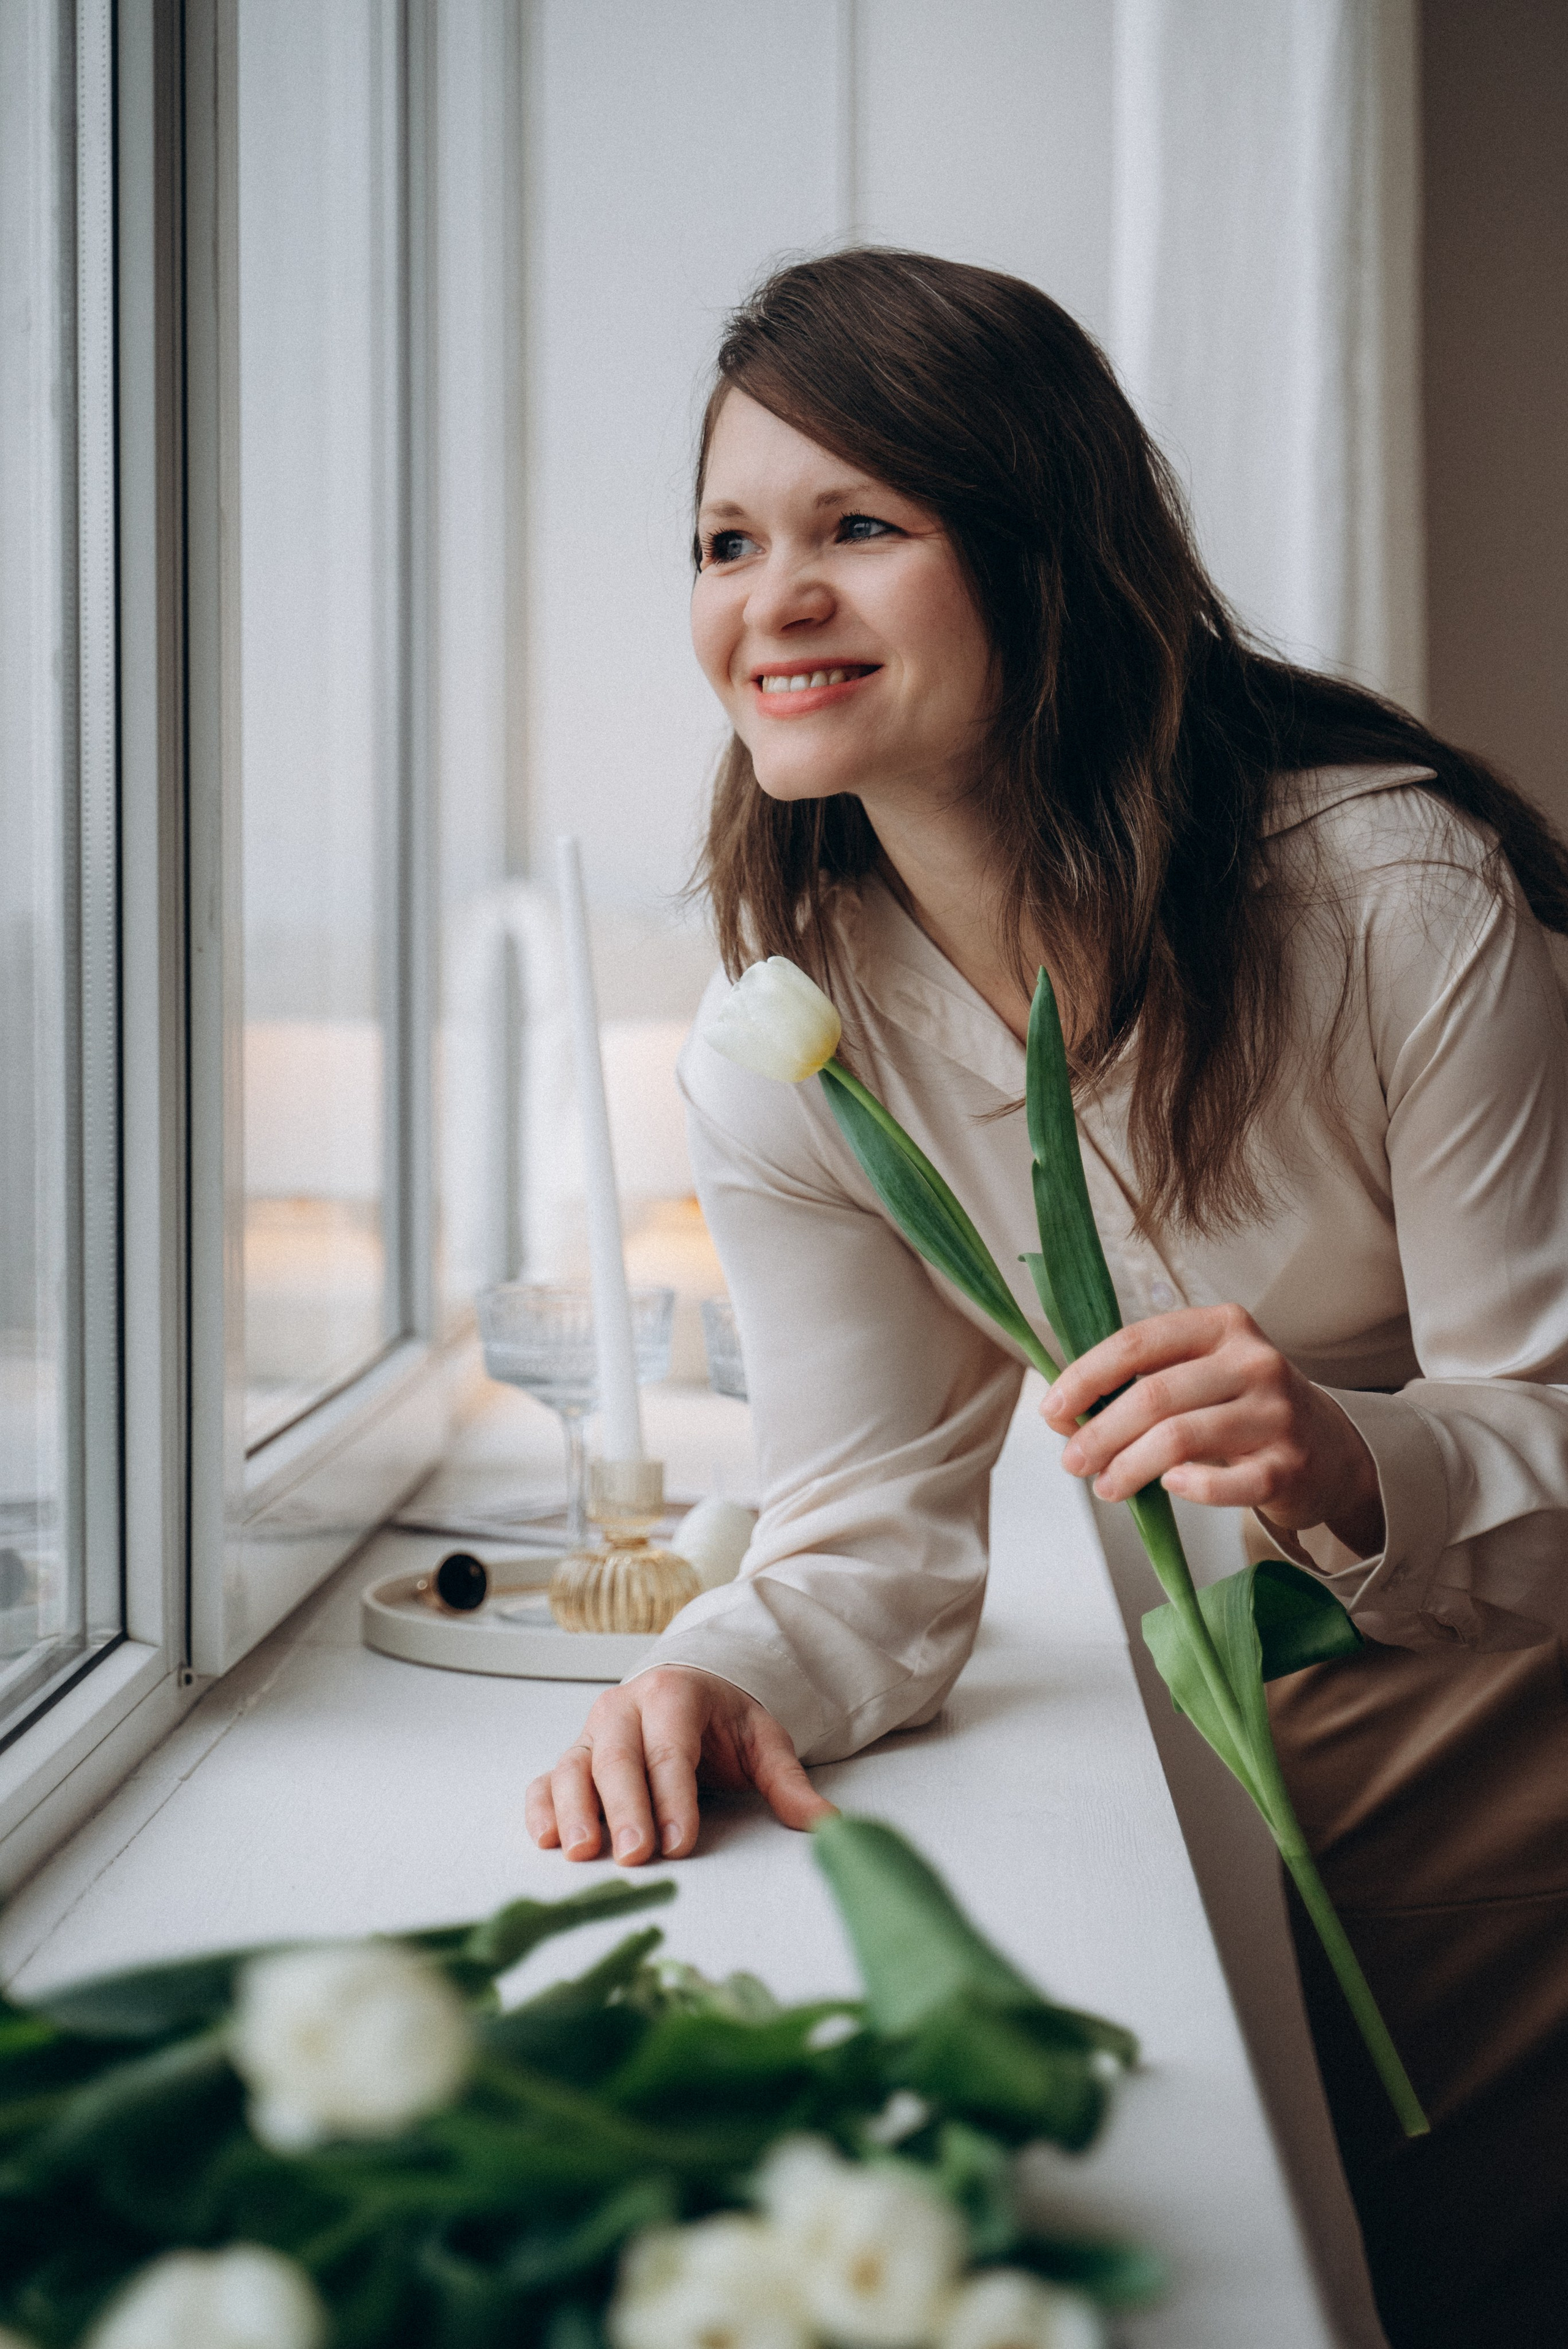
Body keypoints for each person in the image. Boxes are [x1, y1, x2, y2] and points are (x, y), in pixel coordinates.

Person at [524, 250, 1568, 2347]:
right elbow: (867, 1535)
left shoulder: (1393, 896)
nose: (772, 599)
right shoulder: (789, 1045)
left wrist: (1346, 1449)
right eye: (727, 543)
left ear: (1042, 552)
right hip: (1266, 1709)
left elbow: (1548, 1414)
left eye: (857, 526)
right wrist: (719, 1669)